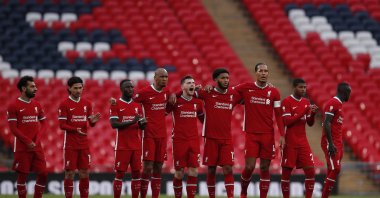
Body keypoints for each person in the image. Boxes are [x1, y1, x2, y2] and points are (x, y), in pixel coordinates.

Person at [234, 63, 284, 198]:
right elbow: (230, 92)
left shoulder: (274, 92)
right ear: (256, 73)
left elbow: (279, 114)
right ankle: (243, 192)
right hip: (251, 134)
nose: (263, 73)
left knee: (264, 167)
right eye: (261, 71)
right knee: (249, 167)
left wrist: (282, 135)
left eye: (266, 71)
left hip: (268, 135)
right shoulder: (246, 88)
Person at [198, 68, 241, 198]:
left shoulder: (233, 95)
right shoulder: (207, 93)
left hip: (226, 139)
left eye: (227, 78)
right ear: (215, 80)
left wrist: (268, 86)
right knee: (211, 170)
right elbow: (187, 93)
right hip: (211, 138)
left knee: (228, 168)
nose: (226, 80)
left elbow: (251, 94)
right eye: (223, 78)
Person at [58, 77, 101, 198]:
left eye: (80, 88)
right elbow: (62, 125)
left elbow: (90, 123)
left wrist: (93, 121)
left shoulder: (87, 103)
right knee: (70, 173)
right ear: (69, 89)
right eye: (75, 88)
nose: (78, 90)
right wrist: (75, 129)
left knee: (85, 172)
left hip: (83, 144)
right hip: (71, 145)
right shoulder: (64, 104)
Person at [7, 76, 48, 198]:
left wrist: (37, 140)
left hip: (36, 146)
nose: (36, 88)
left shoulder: (37, 104)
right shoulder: (13, 105)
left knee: (44, 173)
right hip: (22, 147)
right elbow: (13, 128)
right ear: (24, 88)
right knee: (22, 176)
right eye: (32, 86)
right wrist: (28, 141)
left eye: (35, 86)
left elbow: (44, 123)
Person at [134, 68, 170, 198]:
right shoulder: (144, 92)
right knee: (148, 167)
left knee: (159, 166)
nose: (165, 79)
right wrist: (138, 119)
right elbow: (131, 104)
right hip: (148, 134)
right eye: (162, 77)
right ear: (155, 77)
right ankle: (142, 195)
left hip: (162, 135)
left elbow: (172, 102)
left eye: (166, 77)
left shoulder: (167, 92)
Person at [166, 76, 204, 198]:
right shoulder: (174, 101)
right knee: (179, 172)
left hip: (194, 141)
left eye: (193, 82)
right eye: (188, 83)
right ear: (182, 86)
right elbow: (163, 112)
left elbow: (203, 119)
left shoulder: (198, 102)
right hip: (179, 141)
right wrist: (176, 94)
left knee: (194, 171)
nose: (192, 84)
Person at [280, 78, 318, 198]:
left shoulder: (306, 101)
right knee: (286, 173)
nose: (303, 89)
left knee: (311, 171)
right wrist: (303, 111)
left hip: (303, 142)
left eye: (304, 87)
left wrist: (312, 114)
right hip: (290, 142)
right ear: (294, 87)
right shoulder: (287, 101)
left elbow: (310, 123)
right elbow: (287, 122)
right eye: (301, 87)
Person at [109, 79, 147, 198]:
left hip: (136, 146)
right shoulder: (115, 104)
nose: (131, 89)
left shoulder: (137, 105)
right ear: (121, 89)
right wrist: (132, 121)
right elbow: (114, 124)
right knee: (119, 174)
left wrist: (142, 124)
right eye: (127, 87)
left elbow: (140, 126)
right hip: (122, 146)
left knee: (136, 174)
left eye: (132, 87)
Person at [321, 82, 351, 198]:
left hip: (338, 142)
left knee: (331, 170)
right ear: (345, 92)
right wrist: (331, 143)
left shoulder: (339, 105)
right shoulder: (333, 103)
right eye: (349, 93)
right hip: (331, 142)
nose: (350, 96)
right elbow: (326, 123)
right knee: (336, 169)